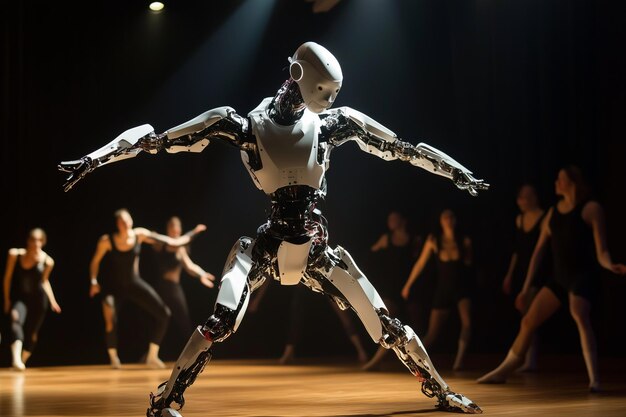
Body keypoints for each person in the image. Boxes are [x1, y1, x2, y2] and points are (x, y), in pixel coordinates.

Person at [60, 42, 488, 414]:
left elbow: (401, 149)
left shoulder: (331, 123)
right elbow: (157, 139)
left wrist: (454, 171)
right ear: (299, 76)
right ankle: (165, 399)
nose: (331, 98)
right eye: (325, 90)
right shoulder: (244, 125)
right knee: (221, 320)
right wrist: (96, 159)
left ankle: (441, 389)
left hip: (316, 246)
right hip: (268, 241)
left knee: (386, 326)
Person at [477, 166, 626, 391]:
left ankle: (595, 380)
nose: (556, 183)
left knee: (579, 313)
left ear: (572, 183)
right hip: (559, 278)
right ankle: (502, 372)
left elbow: (601, 251)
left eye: (560, 179)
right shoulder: (552, 213)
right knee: (528, 321)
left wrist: (610, 265)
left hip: (582, 277)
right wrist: (526, 288)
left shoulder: (591, 209)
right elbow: (538, 253)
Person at [88, 208, 205, 369]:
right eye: (121, 221)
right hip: (113, 287)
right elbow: (95, 262)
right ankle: (113, 357)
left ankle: (152, 356)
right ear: (117, 224)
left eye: (127, 219)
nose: (125, 223)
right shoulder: (107, 241)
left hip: (133, 284)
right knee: (110, 320)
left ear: (131, 220)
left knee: (164, 314)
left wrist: (193, 233)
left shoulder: (139, 235)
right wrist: (93, 281)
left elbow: (173, 242)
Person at [402, 209, 473, 371]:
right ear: (440, 221)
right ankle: (413, 360)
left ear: (455, 220)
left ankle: (459, 361)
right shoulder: (434, 240)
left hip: (461, 288)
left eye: (451, 217)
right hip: (443, 290)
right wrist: (408, 285)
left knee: (467, 323)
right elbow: (420, 264)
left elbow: (469, 264)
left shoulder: (464, 241)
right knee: (432, 333)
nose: (448, 220)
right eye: (445, 217)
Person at [362, 210, 419, 371]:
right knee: (387, 323)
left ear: (403, 220)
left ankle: (416, 361)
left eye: (394, 219)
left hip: (410, 288)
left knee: (415, 326)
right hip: (392, 288)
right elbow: (370, 255)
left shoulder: (414, 240)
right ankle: (376, 361)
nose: (390, 222)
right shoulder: (387, 239)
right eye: (389, 219)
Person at [501, 184, 548, 372]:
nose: (522, 201)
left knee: (530, 315)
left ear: (534, 198)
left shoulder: (544, 217)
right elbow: (517, 252)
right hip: (521, 271)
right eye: (520, 197)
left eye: (525, 197)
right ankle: (529, 358)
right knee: (525, 315)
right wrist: (509, 275)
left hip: (538, 272)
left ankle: (530, 359)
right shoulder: (519, 219)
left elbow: (541, 251)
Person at [3, 228, 61, 370]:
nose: (36, 243)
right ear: (28, 241)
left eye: (39, 240)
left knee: (32, 334)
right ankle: (16, 360)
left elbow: (44, 281)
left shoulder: (48, 261)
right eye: (33, 240)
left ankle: (22, 360)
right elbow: (7, 278)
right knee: (15, 319)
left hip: (39, 300)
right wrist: (6, 299)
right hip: (22, 297)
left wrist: (53, 301)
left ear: (43, 242)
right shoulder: (15, 255)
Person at [153, 216, 215, 340]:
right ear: (168, 229)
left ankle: (190, 352)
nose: (175, 230)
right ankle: (150, 352)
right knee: (160, 318)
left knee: (183, 320)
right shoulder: (163, 243)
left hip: (174, 288)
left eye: (177, 227)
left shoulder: (180, 248)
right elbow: (173, 242)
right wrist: (195, 231)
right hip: (164, 287)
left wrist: (202, 274)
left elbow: (189, 266)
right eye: (172, 227)